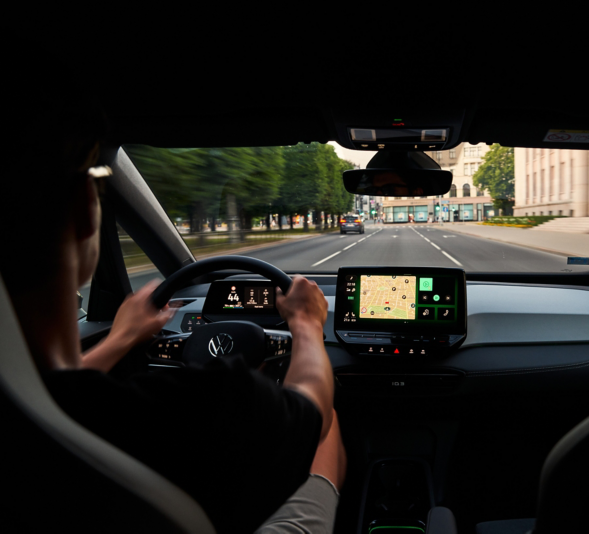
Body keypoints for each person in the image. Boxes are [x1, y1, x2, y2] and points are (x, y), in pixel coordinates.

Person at [3, 68, 344, 533]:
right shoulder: (218, 410)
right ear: (86, 209)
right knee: (327, 432)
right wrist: (306, 325)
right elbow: (309, 406)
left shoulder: (42, 404)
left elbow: (57, 394)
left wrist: (121, 337)